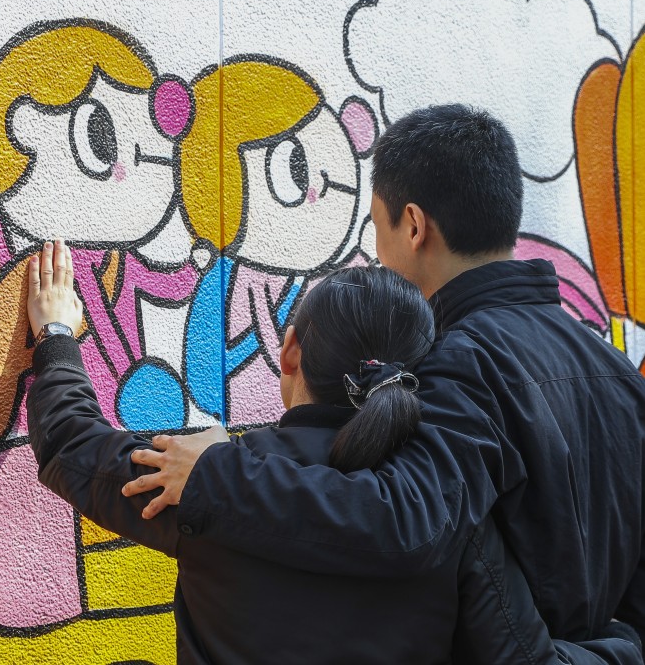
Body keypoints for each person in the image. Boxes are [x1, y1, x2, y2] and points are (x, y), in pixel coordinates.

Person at [119, 105, 645, 656]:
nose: (375, 252)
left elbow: (403, 518)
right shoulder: (615, 369)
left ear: (414, 225)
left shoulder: (460, 363)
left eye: (376, 226)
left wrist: (217, 472)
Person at [26, 239, 637, 664]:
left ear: (288, 353)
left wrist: (56, 332)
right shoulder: (448, 508)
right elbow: (512, 654)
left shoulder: (199, 477)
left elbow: (68, 444)